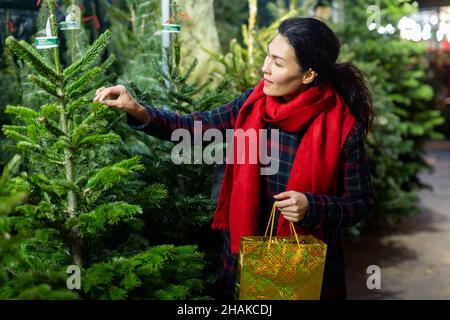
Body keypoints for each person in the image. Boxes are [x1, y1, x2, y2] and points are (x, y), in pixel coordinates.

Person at [94, 17, 375, 300]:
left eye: (278, 63)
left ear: (308, 75)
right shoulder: (253, 104)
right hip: (244, 252)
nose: (264, 68)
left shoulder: (342, 127)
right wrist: (139, 111)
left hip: (306, 263)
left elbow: (360, 203)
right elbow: (196, 128)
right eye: (268, 55)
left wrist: (313, 207)